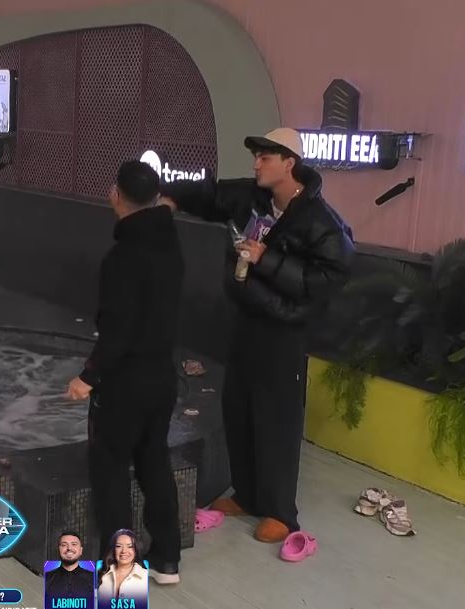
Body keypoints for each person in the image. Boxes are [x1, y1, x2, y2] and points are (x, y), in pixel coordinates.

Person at [158, 127, 355, 544]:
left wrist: (267, 259)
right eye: (257, 156)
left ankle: (281, 512)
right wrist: (170, 196)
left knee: (277, 420)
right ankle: (247, 495)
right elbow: (211, 195)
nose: (256, 164)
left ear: (289, 163)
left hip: (284, 333)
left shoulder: (321, 222)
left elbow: (324, 281)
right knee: (239, 408)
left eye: (266, 157)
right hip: (247, 320)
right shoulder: (253, 198)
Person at [66, 160, 183, 585]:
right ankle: (167, 559)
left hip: (125, 384)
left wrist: (88, 376)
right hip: (162, 377)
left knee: (111, 471)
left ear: (115, 195)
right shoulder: (171, 243)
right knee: (155, 462)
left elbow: (118, 330)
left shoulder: (122, 258)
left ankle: (120, 573)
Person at [95, 529, 148, 608]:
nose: (124, 551)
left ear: (136, 550)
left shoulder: (145, 577)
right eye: (118, 546)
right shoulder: (100, 574)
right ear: (113, 550)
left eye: (130, 546)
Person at [44, 531, 95, 606]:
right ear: (59, 549)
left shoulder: (94, 579)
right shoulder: (46, 579)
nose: (69, 548)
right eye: (64, 545)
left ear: (81, 550)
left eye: (74, 544)